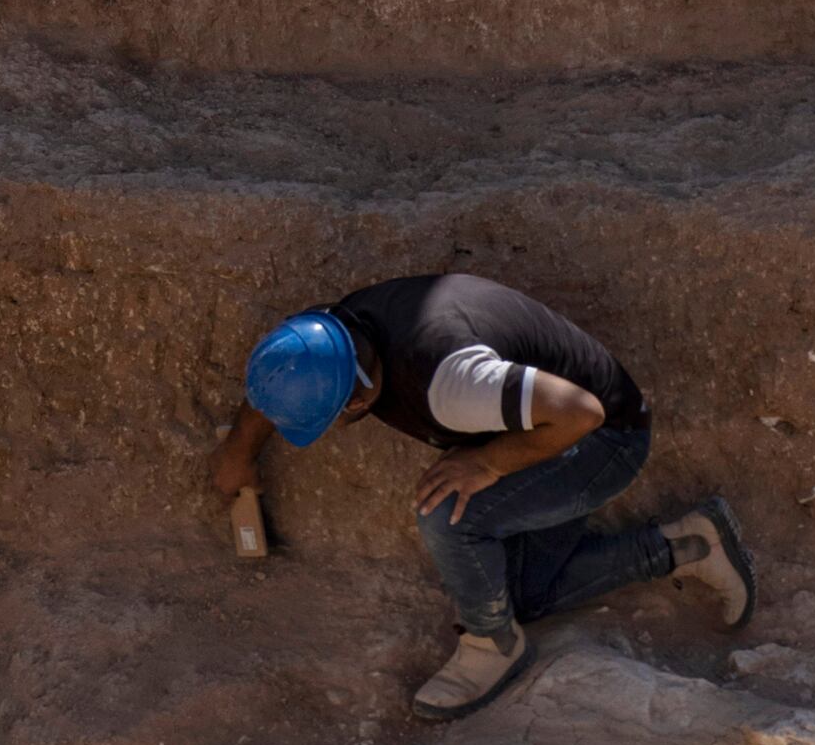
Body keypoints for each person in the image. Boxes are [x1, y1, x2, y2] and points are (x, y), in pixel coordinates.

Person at [216, 272, 757, 719]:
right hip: (540, 429)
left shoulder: (449, 383)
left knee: (449, 514)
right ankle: (687, 545)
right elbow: (288, 374)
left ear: (355, 404)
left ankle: (491, 646)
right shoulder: (333, 331)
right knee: (525, 596)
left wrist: (487, 462)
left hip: (599, 441)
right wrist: (239, 452)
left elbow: (582, 413)